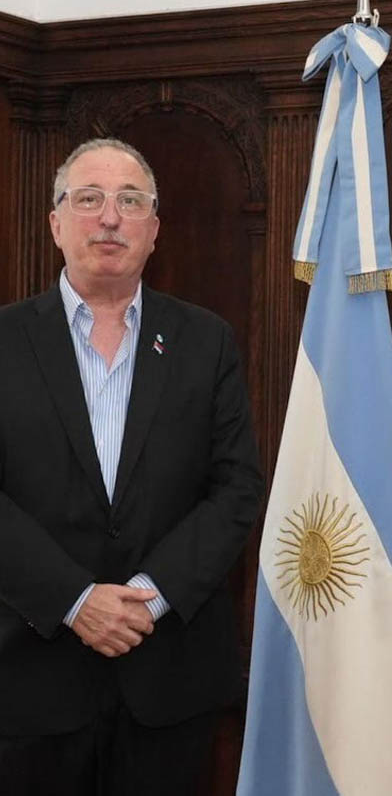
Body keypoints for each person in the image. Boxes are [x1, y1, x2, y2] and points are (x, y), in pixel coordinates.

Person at [0, 138, 262, 796]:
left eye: (130, 201)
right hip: (28, 681)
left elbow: (236, 488)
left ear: (154, 229)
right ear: (56, 223)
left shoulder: (206, 341)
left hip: (170, 679)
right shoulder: (4, 340)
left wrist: (149, 595)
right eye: (89, 199)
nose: (110, 217)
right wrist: (75, 599)